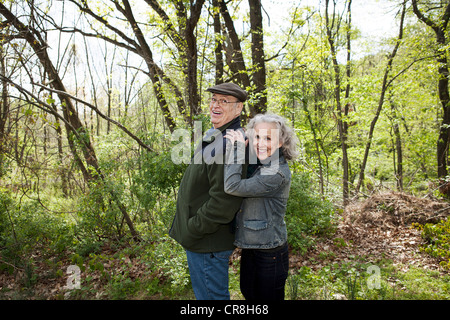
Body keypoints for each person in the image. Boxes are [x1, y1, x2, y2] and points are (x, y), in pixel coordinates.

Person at [169, 82, 248, 300]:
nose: (216, 105)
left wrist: (193, 228)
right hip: (203, 240)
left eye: (224, 101)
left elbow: (224, 202)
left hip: (207, 242)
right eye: (214, 99)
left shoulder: (229, 143)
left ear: (238, 108)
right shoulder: (216, 135)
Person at [224, 113, 299, 300]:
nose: (261, 143)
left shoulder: (277, 173)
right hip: (251, 246)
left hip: (270, 252)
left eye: (268, 138)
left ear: (281, 142)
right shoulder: (261, 162)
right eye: (257, 137)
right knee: (249, 294)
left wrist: (238, 149)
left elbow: (232, 186)